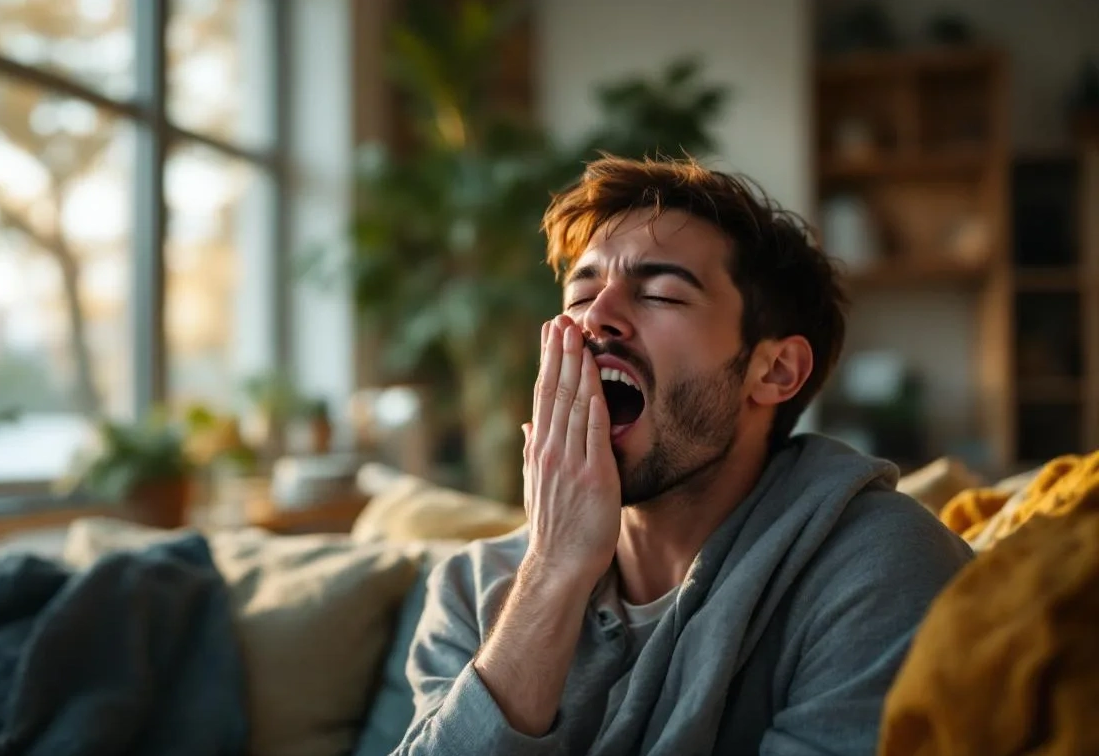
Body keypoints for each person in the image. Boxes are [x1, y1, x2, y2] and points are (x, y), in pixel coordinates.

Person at [391, 156, 974, 756]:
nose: (597, 318)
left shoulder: (877, 566)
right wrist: (553, 571)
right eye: (581, 293)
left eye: (661, 294)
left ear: (775, 370)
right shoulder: (474, 590)